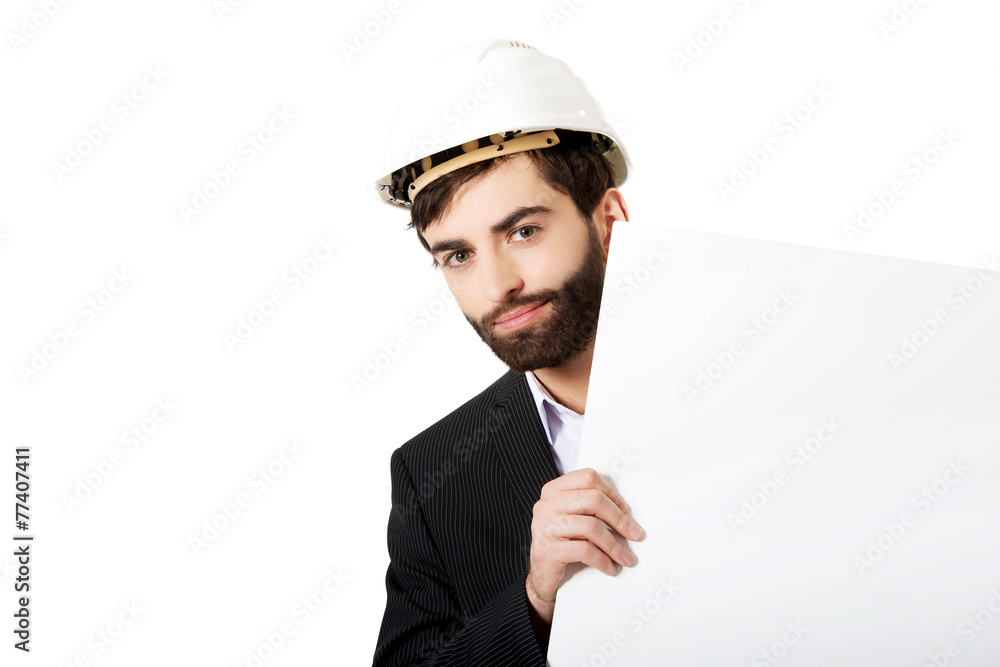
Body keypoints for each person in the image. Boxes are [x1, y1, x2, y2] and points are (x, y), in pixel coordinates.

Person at [371, 39, 644, 666]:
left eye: (523, 231)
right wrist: (535, 601)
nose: (497, 287)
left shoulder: (771, 370)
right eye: (458, 255)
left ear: (610, 221)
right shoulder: (433, 475)